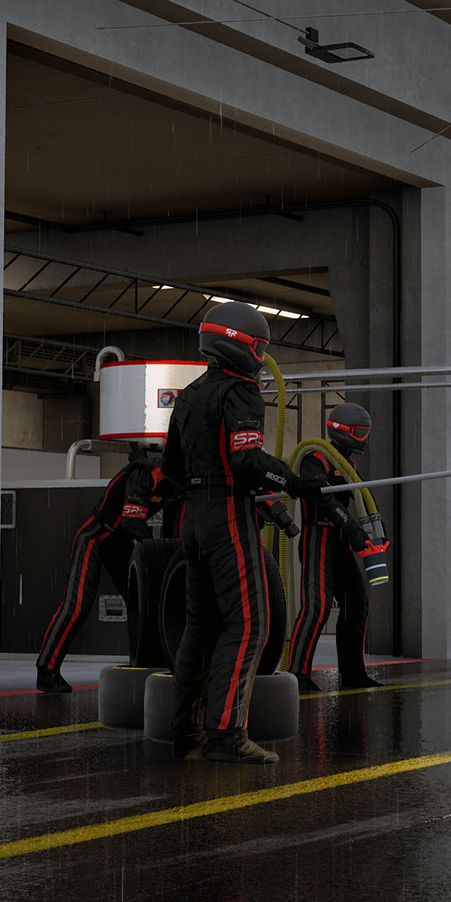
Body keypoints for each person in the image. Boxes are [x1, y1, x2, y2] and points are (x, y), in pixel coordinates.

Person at [161, 301, 327, 764]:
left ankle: (188, 735)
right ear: (242, 346)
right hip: (228, 515)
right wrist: (294, 483)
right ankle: (227, 736)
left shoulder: (189, 394)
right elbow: (247, 460)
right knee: (250, 623)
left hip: (192, 517)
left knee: (200, 626)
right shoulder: (241, 390)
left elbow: (171, 467)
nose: (261, 357)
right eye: (259, 348)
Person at [34, 443, 166, 693]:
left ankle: (145, 661)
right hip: (95, 537)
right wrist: (156, 553)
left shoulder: (175, 479)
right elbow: (132, 522)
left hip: (119, 541)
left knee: (143, 604)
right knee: (75, 607)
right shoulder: (148, 471)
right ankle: (46, 671)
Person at [286, 402, 385, 691]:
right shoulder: (316, 459)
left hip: (341, 540)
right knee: (316, 608)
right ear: (343, 430)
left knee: (357, 605)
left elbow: (363, 496)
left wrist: (378, 532)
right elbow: (322, 498)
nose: (364, 438)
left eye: (366, 433)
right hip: (318, 539)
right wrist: (353, 530)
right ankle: (298, 676)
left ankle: (353, 674)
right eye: (359, 432)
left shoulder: (347, 463)